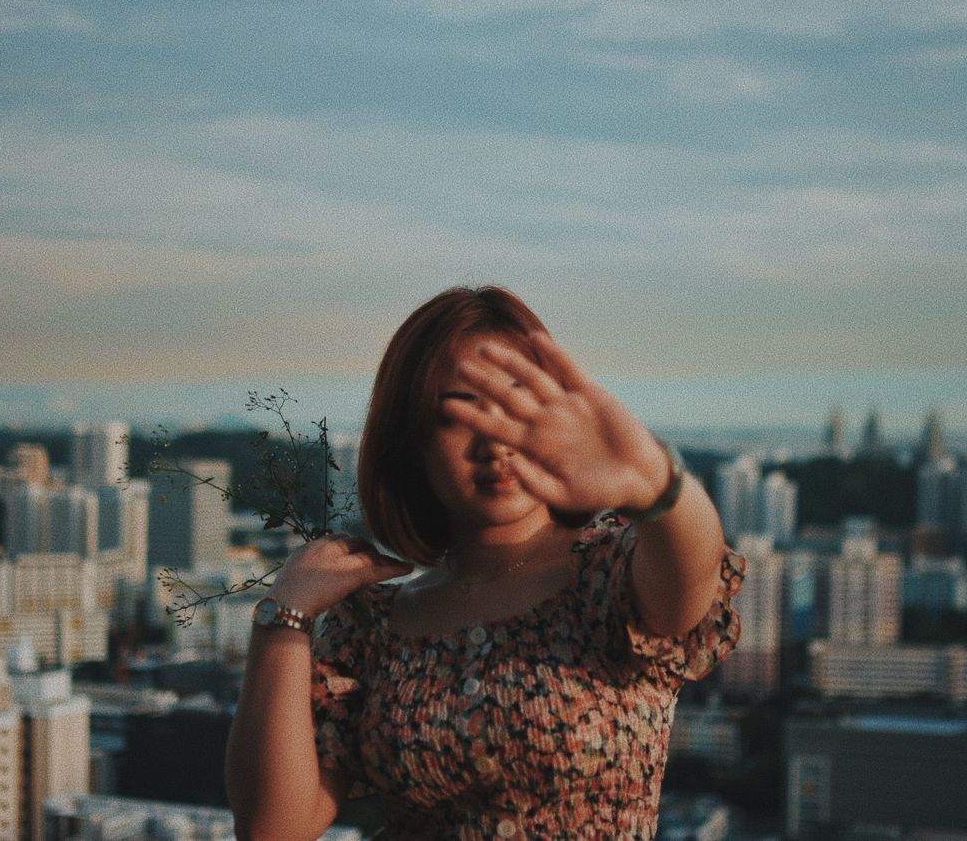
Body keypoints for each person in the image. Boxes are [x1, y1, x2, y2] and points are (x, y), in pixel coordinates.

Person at [226, 286, 744, 840]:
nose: (495, 441)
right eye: (460, 412)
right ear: (412, 442)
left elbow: (694, 566)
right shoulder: (374, 624)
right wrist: (284, 616)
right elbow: (272, 829)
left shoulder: (610, 577)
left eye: (519, 405)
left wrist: (656, 483)